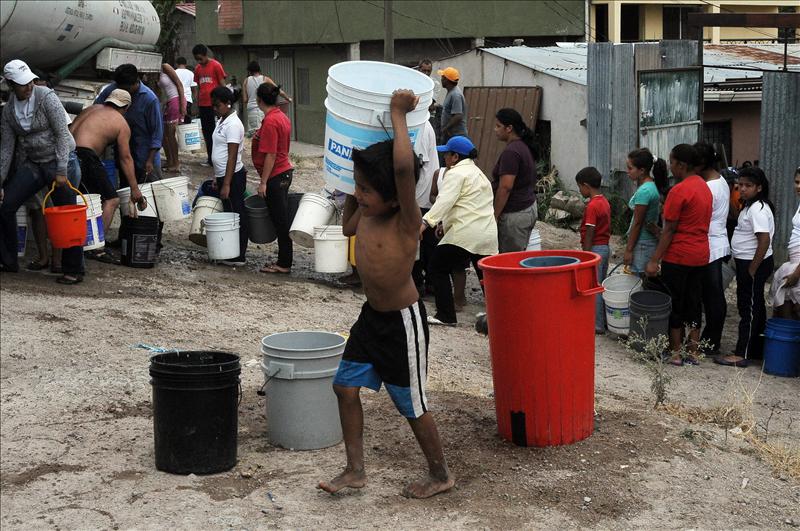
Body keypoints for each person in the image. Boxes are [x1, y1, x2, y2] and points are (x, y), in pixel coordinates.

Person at [319, 89, 454, 499]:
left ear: (394, 196)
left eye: (366, 189)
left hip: (402, 322)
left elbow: (401, 170)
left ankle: (440, 474)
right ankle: (355, 470)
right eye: (358, 187)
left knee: (411, 404)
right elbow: (346, 229)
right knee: (344, 387)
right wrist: (348, 183)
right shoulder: (366, 212)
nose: (360, 194)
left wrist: (399, 115)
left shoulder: (405, 220)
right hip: (371, 316)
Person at [0, 59, 84, 284]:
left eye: (30, 82)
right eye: (22, 84)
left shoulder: (46, 96)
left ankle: (73, 269)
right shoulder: (9, 111)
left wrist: (61, 170)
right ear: (10, 85)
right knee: (6, 205)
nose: (28, 87)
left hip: (60, 159)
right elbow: (7, 148)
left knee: (67, 212)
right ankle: (8, 261)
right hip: (35, 163)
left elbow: (61, 135)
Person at [646, 144, 712, 365]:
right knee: (694, 303)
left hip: (679, 255)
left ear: (681, 165)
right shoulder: (704, 187)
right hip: (701, 254)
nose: (670, 166)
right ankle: (693, 353)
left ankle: (675, 353)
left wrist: (654, 259)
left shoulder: (679, 191)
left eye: (672, 162)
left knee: (675, 302)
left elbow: (669, 230)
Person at [423, 136, 498, 326]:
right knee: (487, 278)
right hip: (486, 233)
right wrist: (443, 224)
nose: (444, 158)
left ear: (455, 156)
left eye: (446, 154)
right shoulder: (480, 174)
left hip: (465, 233)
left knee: (437, 267)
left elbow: (445, 201)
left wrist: (426, 223)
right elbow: (464, 204)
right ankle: (500, 317)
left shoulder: (456, 174)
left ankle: (445, 315)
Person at [95, 64, 165, 247]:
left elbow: (157, 134)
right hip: (124, 154)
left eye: (126, 89)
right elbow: (96, 110)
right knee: (127, 196)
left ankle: (154, 239)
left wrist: (150, 160)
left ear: (136, 83)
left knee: (152, 199)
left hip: (146, 156)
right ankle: (125, 237)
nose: (122, 91)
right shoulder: (112, 91)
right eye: (120, 88)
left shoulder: (149, 99)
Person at [70, 89, 144, 262]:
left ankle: (79, 243)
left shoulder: (91, 109)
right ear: (126, 107)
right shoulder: (121, 123)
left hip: (67, 153)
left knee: (82, 201)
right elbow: (126, 158)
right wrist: (135, 189)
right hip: (85, 155)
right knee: (112, 200)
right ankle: (96, 248)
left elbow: (72, 130)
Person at [718, 167, 775, 367]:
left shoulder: (758, 209)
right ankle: (757, 350)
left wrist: (752, 269)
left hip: (753, 264)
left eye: (748, 186)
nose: (742, 189)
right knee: (754, 306)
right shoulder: (749, 206)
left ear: (759, 188)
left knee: (748, 308)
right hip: (746, 262)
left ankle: (742, 353)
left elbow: (764, 240)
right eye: (740, 185)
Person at [252, 83, 293, 274]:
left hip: (276, 175)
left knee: (280, 220)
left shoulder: (271, 121)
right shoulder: (280, 116)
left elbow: (271, 154)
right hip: (283, 172)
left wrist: (263, 182)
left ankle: (284, 263)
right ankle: (284, 260)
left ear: (259, 100)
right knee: (281, 218)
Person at [694, 142, 730, 355]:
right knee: (713, 295)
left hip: (710, 245)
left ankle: (710, 341)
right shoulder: (720, 180)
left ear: (700, 164)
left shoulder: (709, 187)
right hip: (717, 242)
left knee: (712, 296)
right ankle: (710, 339)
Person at [209, 86, 247, 266]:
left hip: (233, 176)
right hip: (223, 175)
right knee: (229, 212)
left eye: (217, 106)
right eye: (213, 106)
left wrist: (227, 184)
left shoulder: (233, 124)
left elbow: (232, 156)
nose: (214, 109)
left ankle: (238, 255)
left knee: (236, 214)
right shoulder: (222, 120)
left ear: (228, 104)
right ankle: (231, 250)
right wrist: (217, 177)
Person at [492, 108, 538, 253]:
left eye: (498, 126)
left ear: (509, 128)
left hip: (515, 214)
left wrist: (495, 215)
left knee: (509, 262)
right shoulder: (523, 147)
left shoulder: (511, 152)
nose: (495, 130)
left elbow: (505, 187)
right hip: (527, 207)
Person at [576, 167, 611, 334]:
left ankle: (597, 325)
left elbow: (590, 232)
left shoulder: (592, 206)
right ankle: (603, 322)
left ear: (586, 186)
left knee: (594, 288)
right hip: (605, 247)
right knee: (601, 285)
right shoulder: (604, 202)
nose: (580, 191)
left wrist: (586, 255)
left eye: (579, 187)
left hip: (595, 249)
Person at [623, 148, 665, 274]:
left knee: (638, 282)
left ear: (641, 171)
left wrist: (629, 250)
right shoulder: (649, 186)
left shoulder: (645, 191)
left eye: (630, 168)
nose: (627, 172)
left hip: (642, 243)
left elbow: (637, 223)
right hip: (646, 241)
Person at [412, 120, 440, 297]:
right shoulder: (423, 124)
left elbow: (417, 163)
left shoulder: (421, 126)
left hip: (421, 197)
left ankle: (420, 283)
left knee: (419, 244)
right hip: (424, 196)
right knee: (427, 244)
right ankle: (430, 283)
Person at [770, 167, 800, 320]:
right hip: (794, 262)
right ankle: (786, 341)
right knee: (785, 308)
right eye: (797, 182)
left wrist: (796, 273)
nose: (798, 186)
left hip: (798, 267)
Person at [193, 44, 227, 166]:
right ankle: (210, 158)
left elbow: (223, 83)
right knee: (207, 132)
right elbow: (197, 86)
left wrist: (226, 100)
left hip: (215, 105)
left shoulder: (216, 66)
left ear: (205, 55)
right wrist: (196, 102)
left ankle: (220, 158)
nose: (199, 61)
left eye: (200, 58)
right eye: (197, 59)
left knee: (217, 132)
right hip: (203, 104)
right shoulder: (197, 69)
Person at [241, 61, 292, 137]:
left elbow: (245, 100)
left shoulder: (246, 81)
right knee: (264, 135)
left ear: (249, 71)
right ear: (259, 69)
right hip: (264, 110)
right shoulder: (265, 79)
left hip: (252, 111)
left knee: (255, 136)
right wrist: (288, 98)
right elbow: (278, 91)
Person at [157, 63, 186, 172]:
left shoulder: (165, 66)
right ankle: (170, 161)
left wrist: (182, 105)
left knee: (170, 134)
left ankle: (176, 163)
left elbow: (179, 84)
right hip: (167, 102)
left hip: (175, 99)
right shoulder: (153, 72)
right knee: (164, 134)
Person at [437, 67, 467, 142]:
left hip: (456, 136)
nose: (441, 80)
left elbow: (458, 116)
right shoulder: (451, 92)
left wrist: (445, 128)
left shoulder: (455, 95)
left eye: (442, 77)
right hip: (451, 135)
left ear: (447, 80)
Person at [175, 57, 198, 125]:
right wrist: (192, 99)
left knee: (177, 120)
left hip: (177, 99)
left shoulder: (174, 72)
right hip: (188, 99)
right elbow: (194, 89)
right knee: (187, 121)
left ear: (177, 64)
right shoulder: (191, 73)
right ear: (185, 64)